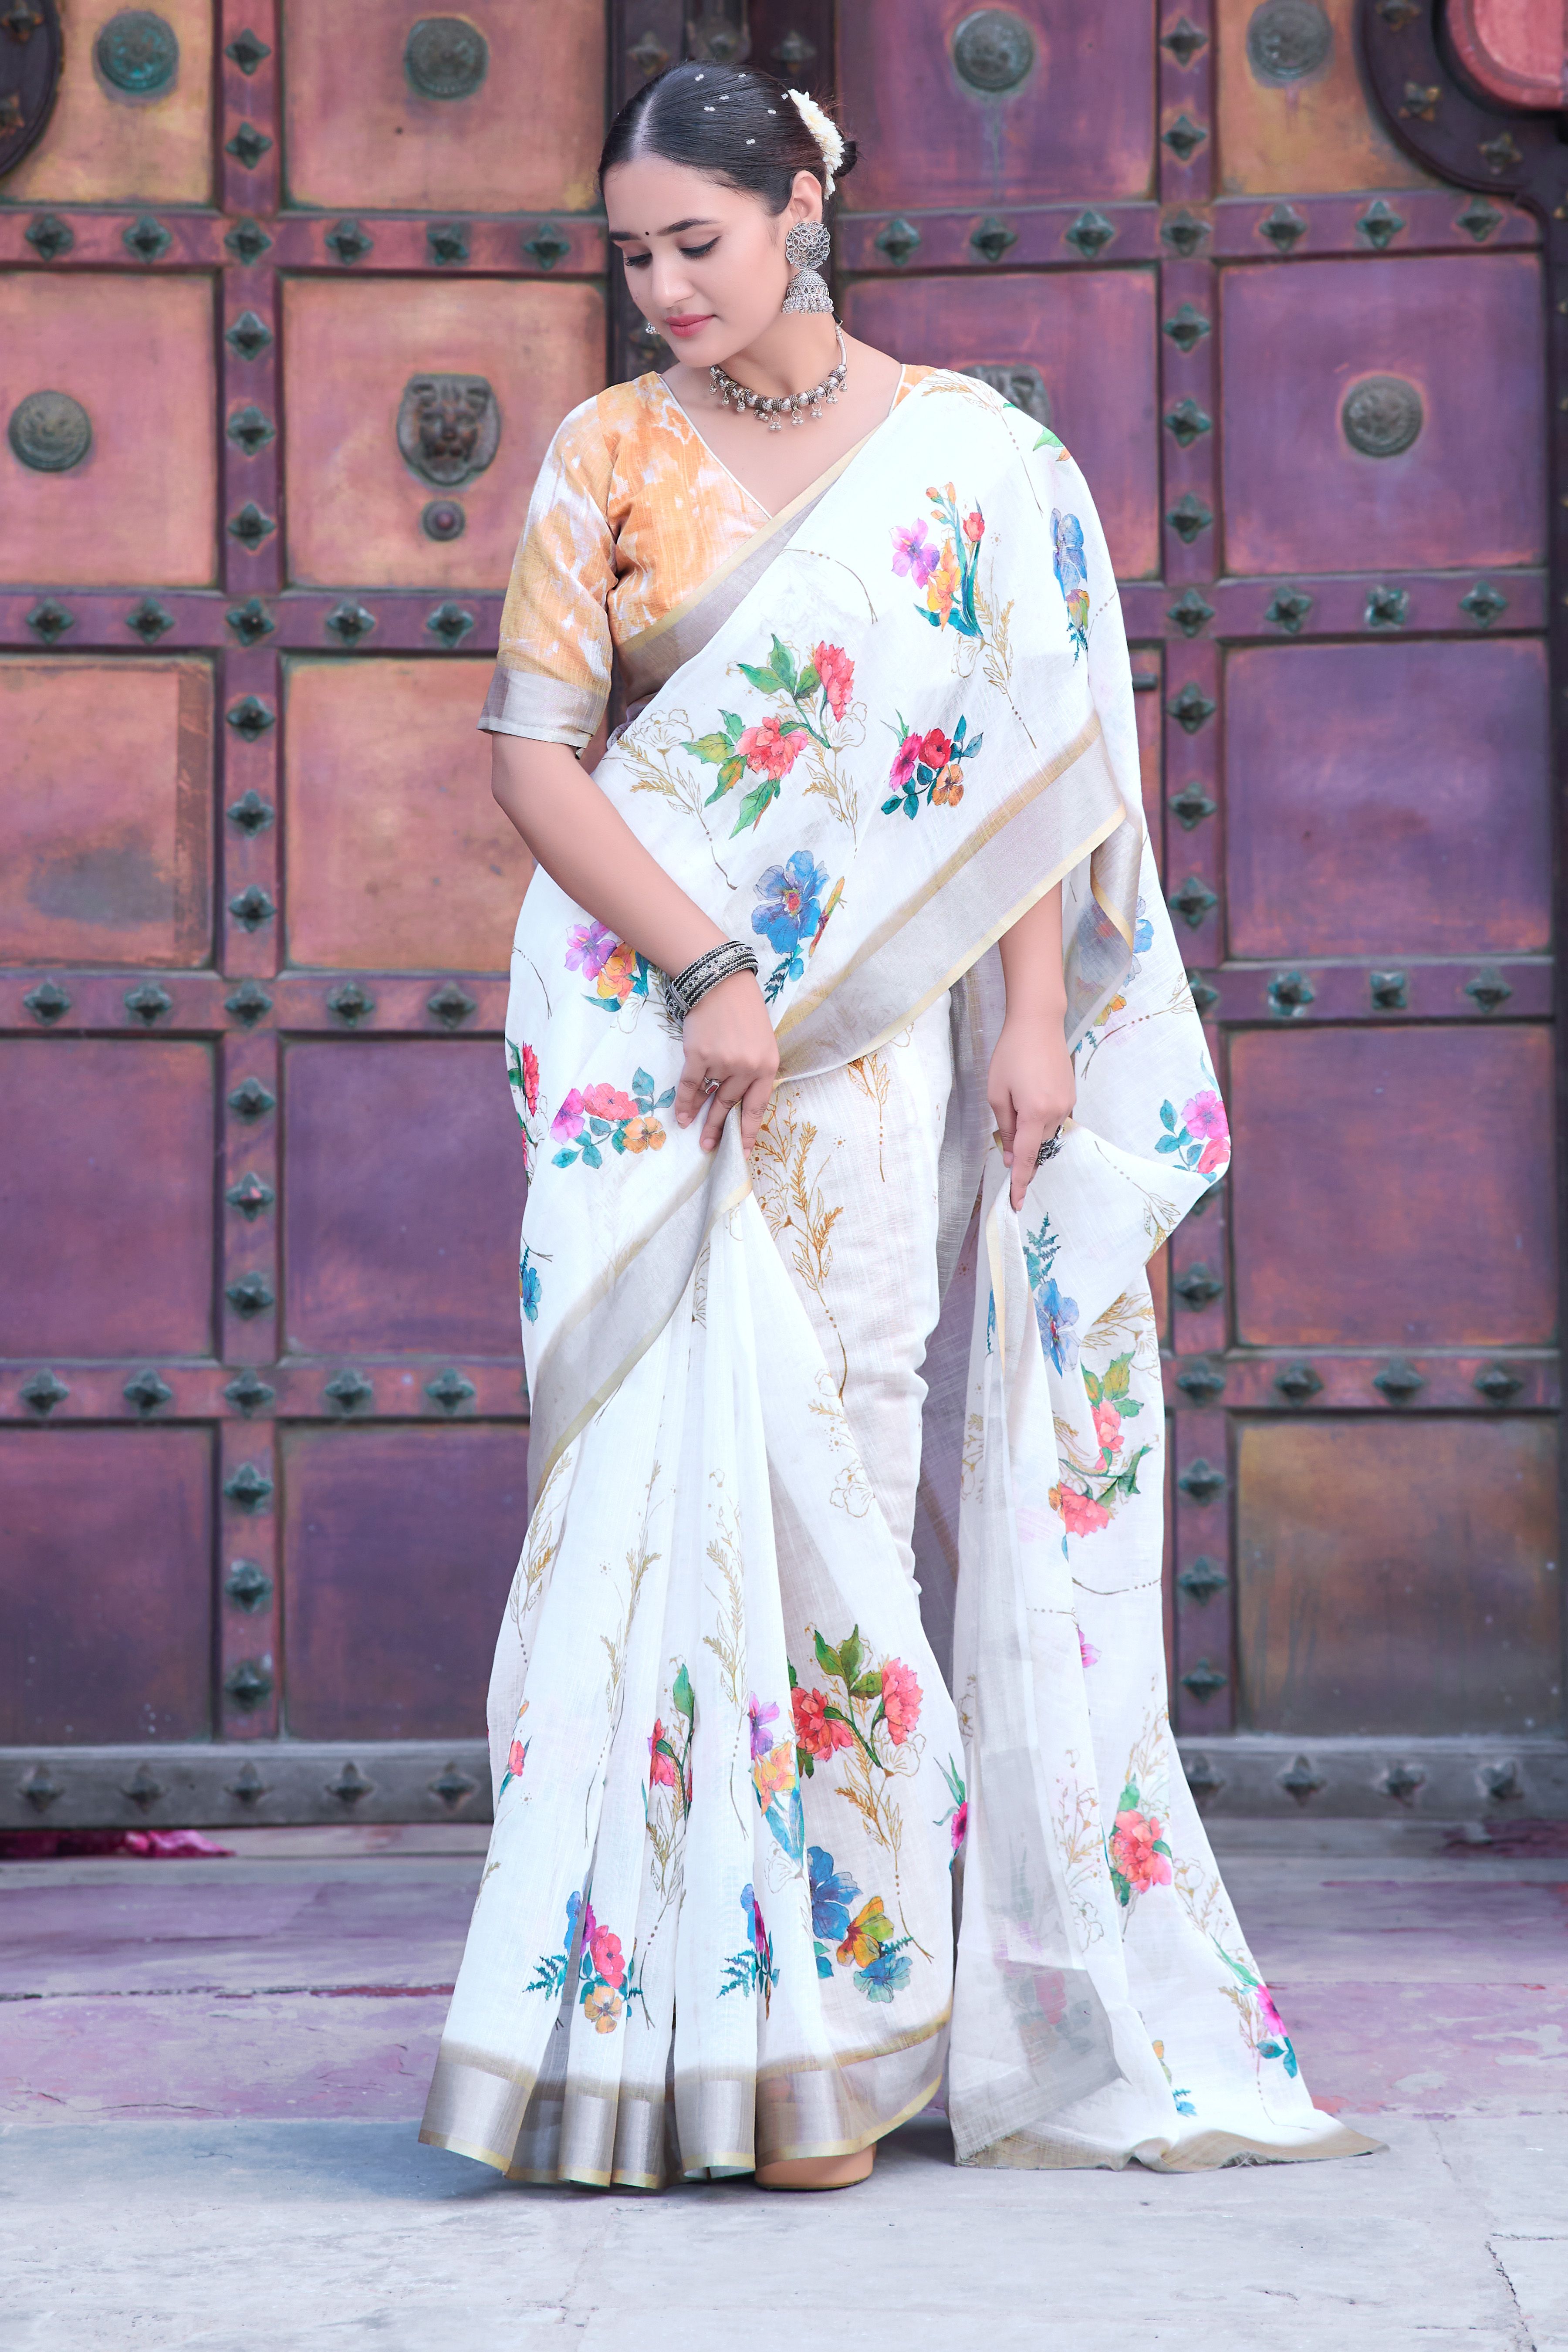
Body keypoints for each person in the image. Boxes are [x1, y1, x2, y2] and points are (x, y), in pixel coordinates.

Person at [420, 61, 1375, 2192]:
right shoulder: (607, 454)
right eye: (634, 254)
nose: (665, 287)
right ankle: (653, 2033)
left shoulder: (973, 460)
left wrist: (1038, 1018)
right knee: (638, 1497)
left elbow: (1031, 762)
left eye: (699, 241)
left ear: (804, 204)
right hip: (646, 1040)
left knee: (841, 1474)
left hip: (871, 1048)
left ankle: (839, 2041)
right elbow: (535, 758)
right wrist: (703, 964)